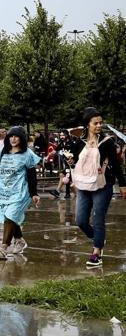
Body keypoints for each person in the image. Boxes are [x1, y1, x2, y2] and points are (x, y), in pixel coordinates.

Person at [70, 108, 126, 267]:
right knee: (80, 221)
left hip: (103, 184)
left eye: (101, 122)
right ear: (87, 124)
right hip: (83, 184)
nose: (99, 125)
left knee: (98, 217)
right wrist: (70, 162)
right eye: (96, 123)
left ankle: (96, 253)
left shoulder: (107, 141)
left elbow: (115, 164)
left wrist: (122, 184)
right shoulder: (78, 141)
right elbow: (75, 161)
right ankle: (98, 238)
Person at [0, 126, 41, 260]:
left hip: (20, 192)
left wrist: (34, 193)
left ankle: (4, 246)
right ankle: (19, 240)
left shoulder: (27, 155)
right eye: (11, 136)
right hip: (3, 191)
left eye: (16, 136)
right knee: (11, 217)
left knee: (10, 216)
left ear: (21, 138)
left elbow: (31, 175)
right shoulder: (3, 152)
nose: (13, 139)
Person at [52, 130, 76, 199]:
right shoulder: (62, 143)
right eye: (60, 135)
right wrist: (48, 155)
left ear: (67, 135)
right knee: (64, 176)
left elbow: (75, 153)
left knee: (67, 178)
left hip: (72, 164)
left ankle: (67, 193)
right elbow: (55, 150)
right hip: (66, 164)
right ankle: (60, 192)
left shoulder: (71, 143)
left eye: (63, 135)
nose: (61, 137)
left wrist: (72, 158)